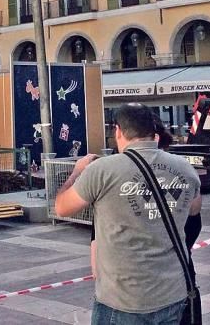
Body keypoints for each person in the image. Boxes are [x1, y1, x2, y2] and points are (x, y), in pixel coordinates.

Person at [56, 103, 201, 325]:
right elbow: (194, 214)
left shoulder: (102, 170)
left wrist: (77, 171)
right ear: (154, 132)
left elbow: (61, 207)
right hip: (172, 293)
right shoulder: (185, 169)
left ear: (118, 131)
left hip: (122, 300)